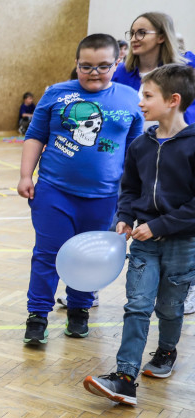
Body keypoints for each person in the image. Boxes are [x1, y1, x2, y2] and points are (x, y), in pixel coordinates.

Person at [17, 33, 144, 346]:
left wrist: (132, 198)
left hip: (105, 198)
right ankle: (38, 315)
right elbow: (35, 135)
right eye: (86, 66)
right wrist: (25, 175)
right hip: (54, 192)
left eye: (103, 66)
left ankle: (79, 310)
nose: (94, 73)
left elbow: (135, 151)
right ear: (76, 64)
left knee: (90, 258)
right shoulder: (56, 94)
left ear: (117, 63)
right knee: (47, 255)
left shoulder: (130, 98)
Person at [83, 64, 195, 405]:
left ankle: (166, 351)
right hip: (144, 246)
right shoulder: (139, 145)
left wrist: (158, 226)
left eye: (147, 96)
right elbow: (129, 188)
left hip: (182, 244)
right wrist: (125, 217)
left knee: (170, 308)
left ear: (173, 100)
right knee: (137, 306)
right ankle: (125, 377)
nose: (140, 102)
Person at [112, 11, 195, 125]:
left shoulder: (187, 65)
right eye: (132, 33)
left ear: (161, 37)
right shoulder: (119, 72)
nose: (133, 39)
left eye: (141, 33)